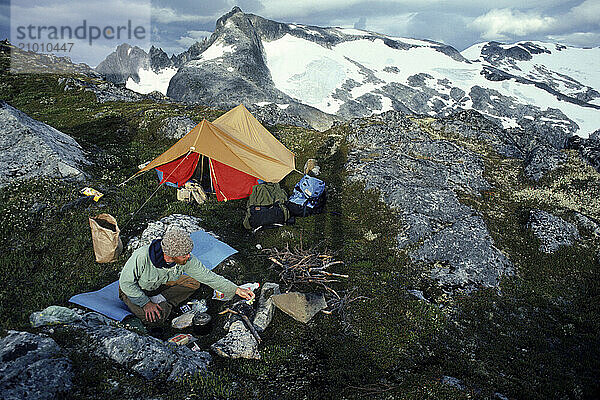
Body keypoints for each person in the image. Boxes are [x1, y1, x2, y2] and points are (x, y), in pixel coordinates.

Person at [119, 228, 254, 326]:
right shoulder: (142, 257)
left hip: (159, 285)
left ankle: (160, 300)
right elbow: (126, 284)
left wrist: (236, 289)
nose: (188, 257)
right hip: (134, 291)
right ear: (171, 255)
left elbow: (208, 276)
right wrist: (146, 303)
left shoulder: (185, 259)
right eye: (184, 255)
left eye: (188, 253)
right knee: (155, 318)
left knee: (193, 283)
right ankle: (159, 305)